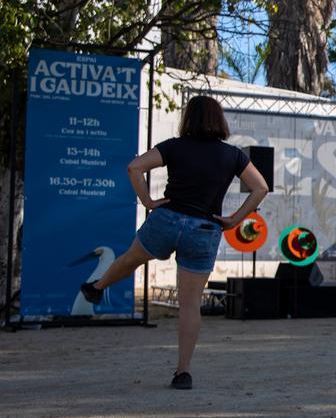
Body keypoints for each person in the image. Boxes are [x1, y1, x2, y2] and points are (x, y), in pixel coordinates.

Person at [80, 96, 269, 389]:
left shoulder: (175, 146)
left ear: (188, 119)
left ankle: (96, 287)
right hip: (205, 228)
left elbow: (134, 168)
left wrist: (148, 200)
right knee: (190, 303)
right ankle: (183, 373)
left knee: (131, 258)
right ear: (219, 120)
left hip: (167, 219)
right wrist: (234, 219)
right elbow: (261, 187)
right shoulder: (232, 155)